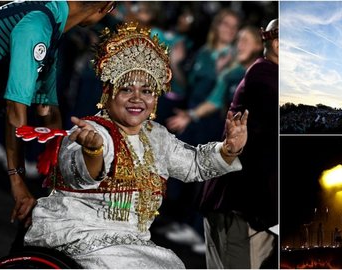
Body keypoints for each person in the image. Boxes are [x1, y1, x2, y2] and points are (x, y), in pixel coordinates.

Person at [23, 22, 248, 269]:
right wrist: (93, 150)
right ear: (108, 94)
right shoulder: (90, 131)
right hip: (78, 233)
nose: (137, 98)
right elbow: (79, 174)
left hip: (132, 243)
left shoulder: (157, 137)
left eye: (147, 91)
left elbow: (193, 164)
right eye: (126, 89)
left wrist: (228, 149)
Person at [0, 0, 116, 229]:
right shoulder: (38, 25)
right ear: (107, 7)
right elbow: (15, 110)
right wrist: (18, 183)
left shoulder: (50, 23)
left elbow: (47, 110)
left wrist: (57, 180)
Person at [200, 18, 278, 269]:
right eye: (278, 35)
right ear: (265, 38)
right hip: (239, 203)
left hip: (253, 205)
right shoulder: (262, 72)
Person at [166, 25, 264, 133]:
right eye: (238, 40)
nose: (240, 45)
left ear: (258, 46)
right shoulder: (229, 74)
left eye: (245, 40)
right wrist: (191, 115)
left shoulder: (264, 74)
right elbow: (215, 101)